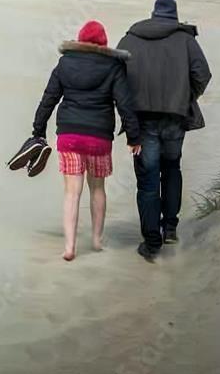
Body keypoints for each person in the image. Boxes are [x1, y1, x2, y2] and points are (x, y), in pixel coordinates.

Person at [17, 21, 141, 262]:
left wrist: (38, 131)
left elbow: (49, 99)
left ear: (80, 39)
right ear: (104, 43)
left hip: (69, 136)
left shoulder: (65, 63)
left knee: (72, 193)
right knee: (98, 189)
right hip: (99, 138)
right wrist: (134, 136)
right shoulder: (114, 66)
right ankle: (96, 240)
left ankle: (70, 247)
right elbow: (124, 104)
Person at [117, 0, 211, 262]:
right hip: (174, 118)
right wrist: (186, 97)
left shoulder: (130, 39)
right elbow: (203, 75)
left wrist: (127, 106)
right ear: (174, 15)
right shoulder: (186, 40)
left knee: (147, 180)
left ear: (153, 13)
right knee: (171, 168)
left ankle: (151, 242)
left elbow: (116, 77)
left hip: (142, 120)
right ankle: (170, 228)